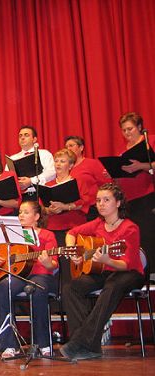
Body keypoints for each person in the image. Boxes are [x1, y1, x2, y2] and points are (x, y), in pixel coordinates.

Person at [61, 183, 144, 360]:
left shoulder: (130, 228)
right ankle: (88, 345)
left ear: (119, 203)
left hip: (129, 272)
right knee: (71, 288)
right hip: (103, 271)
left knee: (112, 286)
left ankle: (79, 343)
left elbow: (126, 264)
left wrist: (108, 260)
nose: (101, 204)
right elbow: (71, 233)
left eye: (106, 200)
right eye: (98, 200)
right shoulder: (98, 224)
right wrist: (74, 251)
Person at [0, 201, 58, 358]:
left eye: (26, 212)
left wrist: (48, 262)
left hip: (41, 275)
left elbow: (53, 264)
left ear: (37, 217)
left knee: (38, 291)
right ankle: (10, 344)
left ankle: (43, 343)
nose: (21, 215)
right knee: (3, 287)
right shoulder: (12, 235)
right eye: (20, 212)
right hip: (19, 275)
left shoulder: (47, 235)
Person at [114, 112, 155, 272]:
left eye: (130, 129)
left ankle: (152, 273)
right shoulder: (124, 150)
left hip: (147, 195)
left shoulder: (149, 141)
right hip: (129, 199)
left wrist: (141, 166)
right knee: (136, 237)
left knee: (149, 233)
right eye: (124, 130)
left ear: (139, 127)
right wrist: (114, 172)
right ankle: (141, 272)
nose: (127, 133)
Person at [44, 149, 89, 289]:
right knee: (58, 264)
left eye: (62, 161)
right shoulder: (48, 185)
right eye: (56, 161)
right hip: (53, 228)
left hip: (74, 227)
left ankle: (73, 299)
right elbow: (41, 208)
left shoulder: (78, 182)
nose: (58, 164)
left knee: (72, 263)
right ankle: (59, 303)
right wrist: (48, 210)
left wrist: (66, 206)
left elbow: (86, 201)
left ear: (70, 166)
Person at [64, 135, 111, 220]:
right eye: (66, 147)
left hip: (94, 209)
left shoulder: (92, 164)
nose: (68, 149)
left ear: (81, 147)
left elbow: (106, 184)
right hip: (75, 211)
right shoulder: (66, 168)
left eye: (71, 145)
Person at [8, 126, 55, 200]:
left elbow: (52, 173)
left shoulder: (44, 154)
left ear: (34, 139)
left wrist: (31, 181)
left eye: (26, 135)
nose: (22, 138)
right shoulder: (12, 158)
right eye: (20, 136)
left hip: (41, 195)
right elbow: (8, 179)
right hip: (21, 198)